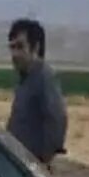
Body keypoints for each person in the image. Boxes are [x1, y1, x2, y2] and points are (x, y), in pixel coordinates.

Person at [6, 18, 68, 166]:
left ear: (35, 47)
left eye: (20, 47)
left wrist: (42, 161)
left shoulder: (44, 77)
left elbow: (57, 120)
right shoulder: (25, 79)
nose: (15, 54)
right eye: (12, 47)